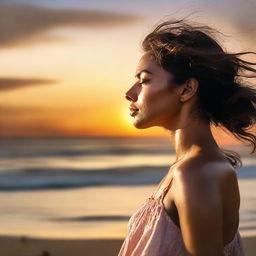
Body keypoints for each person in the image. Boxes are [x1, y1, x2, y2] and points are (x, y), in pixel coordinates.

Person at [118, 18, 256, 256]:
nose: (130, 93)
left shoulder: (195, 173)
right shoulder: (190, 168)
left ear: (186, 90)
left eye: (144, 81)